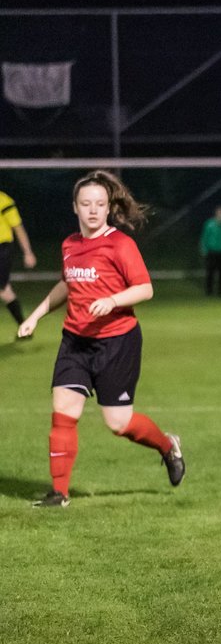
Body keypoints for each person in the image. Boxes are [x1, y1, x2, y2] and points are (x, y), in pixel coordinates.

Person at [17, 169, 185, 508]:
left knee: (118, 423)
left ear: (108, 208)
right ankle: (59, 493)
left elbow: (145, 288)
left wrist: (112, 300)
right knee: (63, 412)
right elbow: (67, 285)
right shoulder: (70, 245)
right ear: (75, 208)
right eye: (86, 204)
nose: (93, 210)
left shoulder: (120, 244)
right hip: (75, 341)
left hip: (117, 342)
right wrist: (34, 317)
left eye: (100, 204)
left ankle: (168, 446)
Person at [0, 188, 38, 325]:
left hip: (2, 249)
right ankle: (24, 327)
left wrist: (28, 252)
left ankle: (24, 326)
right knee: (4, 290)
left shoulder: (3, 200)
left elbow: (18, 227)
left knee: (3, 289)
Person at [200, 205, 221, 297]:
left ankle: (220, 291)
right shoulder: (209, 224)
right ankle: (209, 291)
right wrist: (204, 249)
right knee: (210, 272)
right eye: (220, 212)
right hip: (212, 252)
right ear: (216, 213)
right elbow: (204, 237)